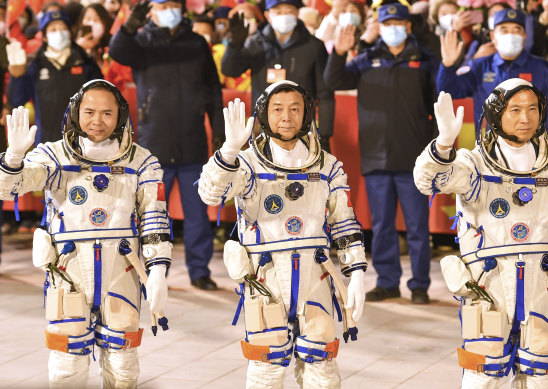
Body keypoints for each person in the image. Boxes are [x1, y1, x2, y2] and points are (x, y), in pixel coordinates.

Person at [413, 78, 548, 388]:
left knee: (539, 377)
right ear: (495, 114)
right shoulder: (474, 165)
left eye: (533, 109)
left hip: (540, 289)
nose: (525, 118)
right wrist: (442, 145)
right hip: (488, 289)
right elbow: (428, 182)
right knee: (482, 376)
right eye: (515, 109)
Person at [0, 79, 171, 387]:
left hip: (121, 270)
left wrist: (158, 270)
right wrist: (13, 158)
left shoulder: (141, 161)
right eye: (89, 111)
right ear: (76, 112)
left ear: (120, 115)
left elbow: (154, 217)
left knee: (123, 367)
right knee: (67, 366)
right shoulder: (54, 157)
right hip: (69, 272)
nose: (97, 121)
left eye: (107, 113)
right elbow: (11, 186)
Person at [198, 80, 367, 388]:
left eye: (294, 109)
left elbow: (344, 220)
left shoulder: (327, 166)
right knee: (266, 372)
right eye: (277, 110)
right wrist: (229, 150)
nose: (286, 117)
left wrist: (355, 272)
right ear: (264, 114)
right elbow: (211, 194)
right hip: (266, 278)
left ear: (307, 114)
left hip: (315, 277)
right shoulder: (247, 164)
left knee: (323, 373)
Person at [324, 3, 436, 304]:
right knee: (383, 226)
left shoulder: (425, 60)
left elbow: (437, 106)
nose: (393, 28)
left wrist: (437, 152)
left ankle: (420, 285)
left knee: (417, 227)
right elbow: (334, 81)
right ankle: (387, 282)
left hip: (414, 159)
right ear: (380, 27)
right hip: (376, 157)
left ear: (408, 26)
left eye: (399, 22)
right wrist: (338, 52)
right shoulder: (365, 59)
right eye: (387, 24)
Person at [109, 0, 224, 290]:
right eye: (162, 5)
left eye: (173, 4)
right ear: (152, 10)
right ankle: (150, 270)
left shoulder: (197, 43)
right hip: (154, 142)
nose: (168, 9)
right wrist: (129, 26)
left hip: (192, 140)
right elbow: (117, 51)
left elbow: (213, 89)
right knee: (150, 213)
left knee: (197, 214)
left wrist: (219, 133)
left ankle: (199, 271)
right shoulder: (141, 41)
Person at [437, 8, 548, 152]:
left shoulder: (542, 68)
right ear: (493, 36)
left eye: (516, 30)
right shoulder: (480, 66)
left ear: (524, 36)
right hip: (489, 152)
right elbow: (449, 91)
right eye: (504, 30)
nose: (510, 35)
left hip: (531, 153)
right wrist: (447, 66)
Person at [221, 0, 335, 151]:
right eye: (278, 12)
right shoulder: (255, 43)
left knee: (302, 173)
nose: (284, 16)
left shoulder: (314, 46)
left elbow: (325, 94)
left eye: (288, 11)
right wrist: (234, 46)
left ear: (296, 13)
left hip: (302, 131)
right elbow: (231, 71)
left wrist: (324, 134)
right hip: (264, 130)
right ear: (268, 15)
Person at [7, 9, 103, 144]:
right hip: (46, 141)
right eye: (53, 30)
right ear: (45, 36)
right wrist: (17, 76)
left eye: (63, 28)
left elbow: (102, 97)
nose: (59, 33)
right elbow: (17, 100)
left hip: (82, 140)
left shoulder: (85, 62)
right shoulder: (36, 65)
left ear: (70, 33)